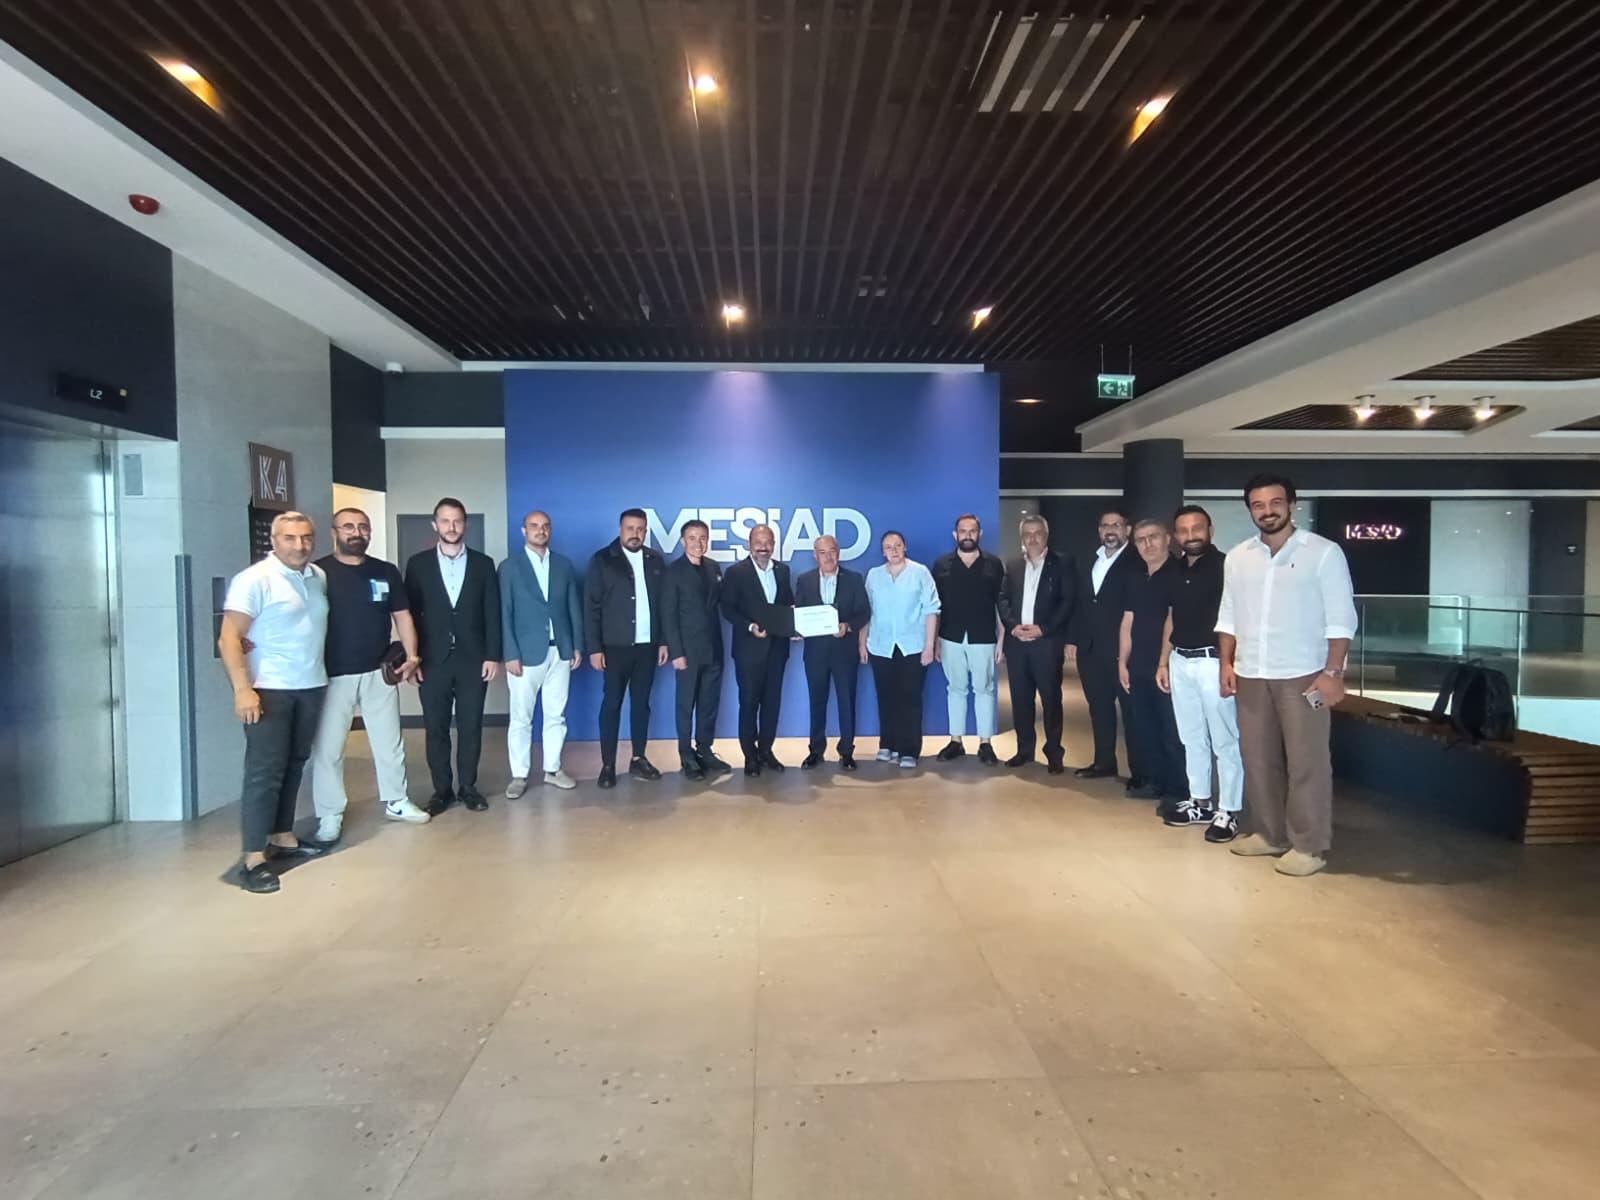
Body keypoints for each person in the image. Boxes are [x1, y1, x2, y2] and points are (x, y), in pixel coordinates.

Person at [1218, 473, 1358, 877]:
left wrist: (1333, 672)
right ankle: (1270, 833)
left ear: (1291, 505)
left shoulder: (1323, 553)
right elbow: (1228, 616)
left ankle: (1309, 845)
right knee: (1258, 759)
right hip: (1251, 673)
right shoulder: (1238, 557)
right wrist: (1227, 663)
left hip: (1304, 675)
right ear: (1250, 510)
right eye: (1258, 505)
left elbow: (1341, 618)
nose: (1267, 511)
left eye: (1275, 503)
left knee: (1306, 761)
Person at [217, 512, 331, 893]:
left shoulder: (316, 576)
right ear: (274, 540)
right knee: (264, 772)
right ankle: (253, 858)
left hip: (310, 684)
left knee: (295, 763)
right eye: (290, 538)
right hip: (268, 688)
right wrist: (242, 689)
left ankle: (283, 836)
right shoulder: (254, 579)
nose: (300, 545)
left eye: (306, 538)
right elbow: (229, 637)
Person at [308, 508, 430, 844]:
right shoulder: (317, 574)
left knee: (389, 743)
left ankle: (396, 800)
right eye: (348, 526)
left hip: (379, 671)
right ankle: (329, 814)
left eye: (363, 527)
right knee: (329, 749)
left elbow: (403, 616)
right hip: (332, 675)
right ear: (334, 532)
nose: (356, 532)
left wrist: (413, 656)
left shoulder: (385, 571)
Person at [404, 497, 501, 815]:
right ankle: (442, 790)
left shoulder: (483, 564)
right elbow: (409, 616)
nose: (452, 526)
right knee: (436, 728)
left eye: (457, 520)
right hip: (432, 661)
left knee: (471, 726)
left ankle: (468, 788)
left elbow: (492, 612)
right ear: (435, 525)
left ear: (465, 524)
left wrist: (493, 655)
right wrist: (413, 658)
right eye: (445, 521)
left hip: (474, 660)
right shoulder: (418, 564)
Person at [1155, 505, 1243, 842]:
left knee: (1225, 740)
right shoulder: (1174, 570)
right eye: (1184, 530)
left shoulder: (1226, 567)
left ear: (1210, 530)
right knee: (1191, 737)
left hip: (1212, 661)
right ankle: (1201, 802)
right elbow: (1171, 617)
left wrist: (1228, 664)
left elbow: (1236, 620)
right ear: (1175, 535)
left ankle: (1228, 810)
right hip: (1181, 660)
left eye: (1197, 528)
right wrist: (1163, 662)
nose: (1190, 536)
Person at [500, 509, 583, 796]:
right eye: (534, 526)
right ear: (524, 531)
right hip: (524, 655)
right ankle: (519, 775)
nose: (541, 530)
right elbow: (504, 612)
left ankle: (553, 769)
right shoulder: (509, 567)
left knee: (556, 715)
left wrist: (576, 645)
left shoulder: (563, 565)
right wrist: (510, 653)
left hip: (560, 651)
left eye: (545, 526)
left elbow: (573, 607)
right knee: (521, 718)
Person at [585, 507, 668, 789]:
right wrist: (594, 648)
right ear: (620, 530)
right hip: (614, 648)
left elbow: (663, 605)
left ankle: (638, 758)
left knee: (641, 705)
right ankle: (608, 764)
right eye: (630, 528)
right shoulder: (602, 560)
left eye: (640, 529)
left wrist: (664, 640)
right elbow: (591, 607)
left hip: (647, 647)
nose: (636, 534)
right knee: (612, 705)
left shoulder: (655, 560)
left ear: (646, 531)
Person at [1118, 519, 1188, 815]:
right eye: (1141, 540)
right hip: (1138, 664)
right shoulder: (1136, 576)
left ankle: (1179, 790)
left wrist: (1163, 662)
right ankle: (1157, 782)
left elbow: (1173, 621)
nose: (1147, 544)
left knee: (1172, 730)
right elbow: (1128, 621)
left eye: (1153, 537)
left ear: (1167, 539)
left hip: (1167, 666)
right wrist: (1122, 661)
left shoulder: (1179, 574)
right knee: (1146, 727)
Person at [999, 514, 1076, 773]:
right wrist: (1013, 627)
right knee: (1021, 700)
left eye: (1037, 533)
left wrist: (1044, 629)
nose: (1032, 538)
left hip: (1047, 643)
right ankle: (1024, 750)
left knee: (1051, 699)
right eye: (1027, 534)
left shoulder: (1062, 563)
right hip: (1018, 644)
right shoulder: (1013, 565)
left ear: (1046, 535)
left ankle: (1054, 753)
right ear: (1022, 537)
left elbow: (1067, 601)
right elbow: (1003, 599)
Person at [1072, 507, 1141, 784]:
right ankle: (1104, 762)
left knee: (1132, 713)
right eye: (1104, 526)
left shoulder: (1137, 560)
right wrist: (1074, 639)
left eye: (1116, 525)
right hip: (1091, 650)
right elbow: (1082, 603)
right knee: (1099, 709)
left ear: (1128, 530)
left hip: (1124, 651)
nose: (1109, 530)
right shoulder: (1091, 559)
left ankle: (1140, 772)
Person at [931, 514, 1006, 765]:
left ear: (979, 534)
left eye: (972, 531)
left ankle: (985, 744)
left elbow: (1001, 604)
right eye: (963, 531)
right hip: (950, 636)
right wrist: (935, 640)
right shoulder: (941, 564)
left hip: (983, 637)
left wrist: (1002, 639)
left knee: (984, 689)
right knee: (956, 689)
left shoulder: (993, 564)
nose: (967, 535)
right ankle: (956, 741)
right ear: (955, 535)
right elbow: (934, 606)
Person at [720, 524, 795, 776]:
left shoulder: (783, 571)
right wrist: (750, 626)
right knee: (749, 703)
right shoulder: (735, 572)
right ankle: (750, 756)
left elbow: (787, 605)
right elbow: (727, 608)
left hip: (778, 648)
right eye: (758, 542)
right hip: (748, 651)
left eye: (767, 542)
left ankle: (766, 751)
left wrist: (794, 626)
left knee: (772, 703)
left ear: (774, 544)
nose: (763, 547)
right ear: (749, 544)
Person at [861, 531, 941, 768]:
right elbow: (866, 612)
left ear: (905, 547)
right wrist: (862, 643)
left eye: (897, 545)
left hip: (913, 645)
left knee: (910, 698)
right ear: (882, 551)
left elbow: (931, 610)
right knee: (886, 697)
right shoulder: (874, 575)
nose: (893, 550)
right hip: (880, 645)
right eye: (888, 547)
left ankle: (909, 749)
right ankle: (888, 744)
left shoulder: (920, 572)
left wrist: (929, 645)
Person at [793, 533, 871, 771]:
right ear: (815, 556)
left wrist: (848, 626)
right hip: (815, 652)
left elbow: (864, 612)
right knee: (817, 701)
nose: (828, 557)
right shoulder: (804, 580)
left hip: (844, 651)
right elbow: (799, 612)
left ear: (839, 553)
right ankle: (815, 751)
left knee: (847, 702)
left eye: (832, 551)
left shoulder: (854, 579)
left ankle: (846, 752)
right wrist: (795, 628)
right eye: (822, 552)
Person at [663, 518, 731, 780]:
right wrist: (677, 652)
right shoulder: (674, 571)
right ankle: (686, 755)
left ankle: (704, 749)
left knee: (709, 703)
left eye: (703, 538)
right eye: (692, 538)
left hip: (713, 647)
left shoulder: (713, 567)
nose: (698, 543)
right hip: (688, 652)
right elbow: (668, 614)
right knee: (685, 705)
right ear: (683, 541)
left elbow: (722, 604)